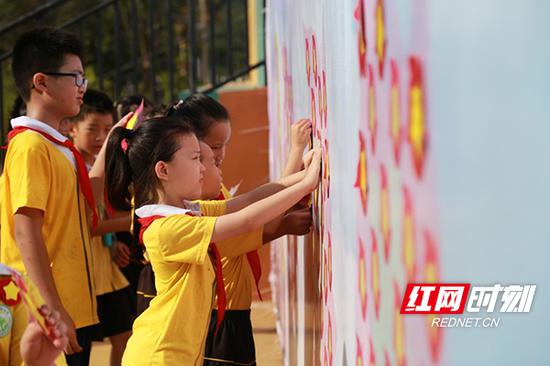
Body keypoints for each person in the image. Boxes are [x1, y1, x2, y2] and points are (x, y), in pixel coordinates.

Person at [104, 116, 320, 365]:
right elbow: (246, 221)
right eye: (196, 158)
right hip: (159, 357)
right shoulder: (166, 228)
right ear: (163, 170)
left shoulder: (186, 211)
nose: (204, 167)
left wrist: (300, 177)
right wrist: (306, 184)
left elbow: (245, 203)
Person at [168, 95, 312, 365]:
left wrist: (298, 179)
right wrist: (297, 159)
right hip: (220, 316)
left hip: (230, 312)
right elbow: (254, 223)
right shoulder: (197, 200)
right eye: (214, 147)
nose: (220, 156)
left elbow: (255, 207)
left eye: (224, 146)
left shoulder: (209, 190)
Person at [69, 89, 134, 366]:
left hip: (105, 271)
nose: (100, 138)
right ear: (72, 128)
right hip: (84, 277)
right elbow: (87, 224)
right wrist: (136, 220)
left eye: (108, 130)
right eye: (92, 129)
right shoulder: (71, 164)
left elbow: (98, 217)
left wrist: (112, 242)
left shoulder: (96, 163)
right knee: (81, 347)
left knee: (124, 336)